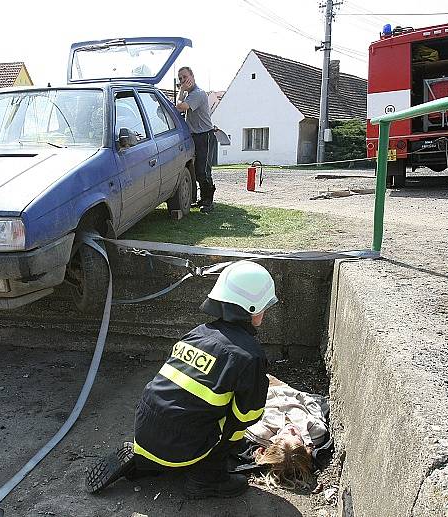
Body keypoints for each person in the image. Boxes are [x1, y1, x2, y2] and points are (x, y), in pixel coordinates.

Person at [86, 261, 278, 499]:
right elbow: (248, 416)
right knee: (235, 426)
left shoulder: (198, 333)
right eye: (264, 306)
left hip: (146, 426)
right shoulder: (250, 355)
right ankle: (206, 479)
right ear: (251, 308)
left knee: (191, 409)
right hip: (182, 444)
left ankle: (146, 460)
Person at [241, 375, 329, 489]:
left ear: (274, 441)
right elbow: (314, 407)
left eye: (284, 436)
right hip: (287, 390)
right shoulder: (316, 431)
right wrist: (300, 396)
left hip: (261, 391)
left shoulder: (261, 432)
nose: (291, 430)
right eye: (296, 436)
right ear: (305, 445)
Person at [175, 67, 218, 214]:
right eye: (180, 78)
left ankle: (208, 201)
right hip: (195, 136)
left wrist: (180, 91)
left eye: (184, 77)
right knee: (197, 169)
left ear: (192, 76)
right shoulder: (190, 94)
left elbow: (180, 107)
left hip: (204, 136)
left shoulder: (198, 94)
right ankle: (203, 198)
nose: (182, 80)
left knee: (203, 170)